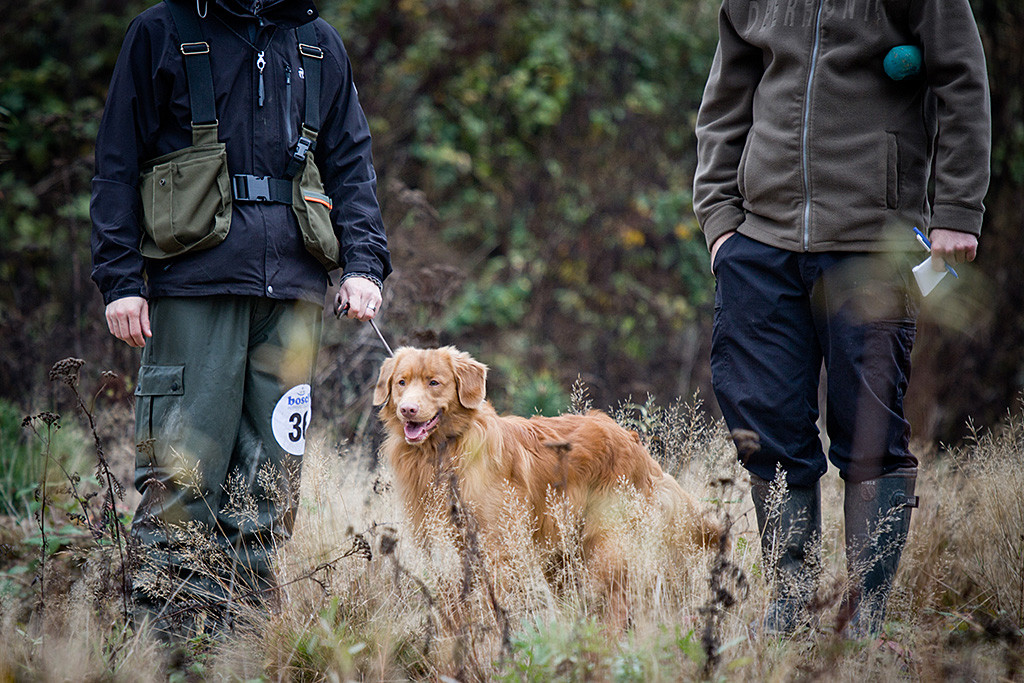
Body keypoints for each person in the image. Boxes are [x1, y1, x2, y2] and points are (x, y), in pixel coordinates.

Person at [91, 0, 391, 637]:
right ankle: (169, 652)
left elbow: (351, 163)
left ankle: (247, 647)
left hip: (294, 294)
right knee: (182, 477)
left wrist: (365, 265)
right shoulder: (161, 31)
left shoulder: (317, 42)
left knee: (270, 486)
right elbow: (117, 160)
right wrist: (120, 280)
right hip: (192, 287)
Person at [693, 0, 990, 636]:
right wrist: (720, 220)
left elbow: (962, 80)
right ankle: (791, 602)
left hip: (871, 239)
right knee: (767, 424)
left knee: (868, 432)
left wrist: (959, 210)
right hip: (759, 241)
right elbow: (726, 92)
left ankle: (863, 613)